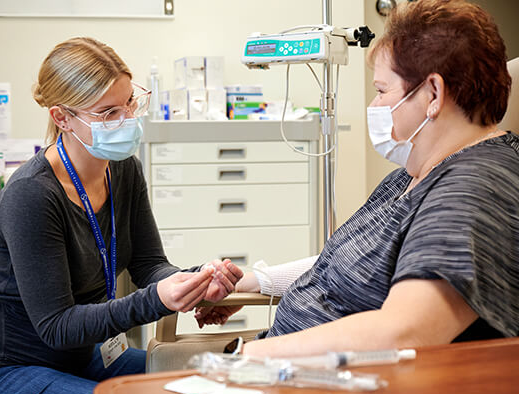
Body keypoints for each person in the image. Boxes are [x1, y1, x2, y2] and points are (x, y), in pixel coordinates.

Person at [197, 0, 518, 357]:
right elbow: (349, 265)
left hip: (308, 377)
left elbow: (405, 332)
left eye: (382, 91)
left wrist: (244, 360)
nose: (375, 105)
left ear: (433, 94)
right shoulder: (411, 176)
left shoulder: (471, 190)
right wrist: (257, 282)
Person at [0, 37, 243, 394]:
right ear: (62, 117)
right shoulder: (33, 194)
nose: (127, 119)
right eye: (108, 112)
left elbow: (150, 265)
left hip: (79, 357)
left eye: (130, 102)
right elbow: (57, 326)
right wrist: (158, 300)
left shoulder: (123, 169)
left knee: (211, 381)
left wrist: (197, 283)